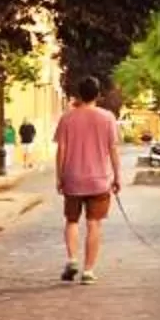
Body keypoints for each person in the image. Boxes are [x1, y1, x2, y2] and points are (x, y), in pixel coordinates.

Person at [53, 74, 121, 285]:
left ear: (79, 94)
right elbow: (113, 150)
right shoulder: (107, 118)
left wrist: (60, 176)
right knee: (94, 224)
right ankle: (88, 271)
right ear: (98, 95)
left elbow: (61, 150)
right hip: (99, 180)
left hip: (73, 178)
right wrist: (117, 176)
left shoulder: (67, 118)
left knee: (71, 221)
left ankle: (72, 259)